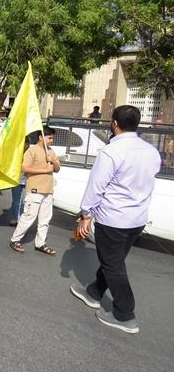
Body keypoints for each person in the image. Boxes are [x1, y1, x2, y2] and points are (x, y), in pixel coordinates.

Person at [70, 105, 161, 334]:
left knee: (114, 265)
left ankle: (124, 313)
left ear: (114, 123)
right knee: (115, 261)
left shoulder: (111, 152)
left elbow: (96, 187)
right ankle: (94, 292)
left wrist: (85, 215)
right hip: (137, 219)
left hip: (114, 219)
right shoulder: (151, 151)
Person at [9, 126, 60, 255]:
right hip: (35, 190)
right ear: (40, 137)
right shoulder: (32, 151)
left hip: (48, 191)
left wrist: (53, 161)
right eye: (49, 138)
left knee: (45, 219)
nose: (51, 140)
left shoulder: (51, 152)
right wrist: (45, 170)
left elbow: (58, 168)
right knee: (29, 217)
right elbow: (25, 168)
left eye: (52, 138)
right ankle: (15, 239)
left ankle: (40, 243)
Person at [9, 137, 30, 226]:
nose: (26, 145)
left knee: (26, 201)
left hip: (28, 180)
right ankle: (16, 219)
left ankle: (22, 219)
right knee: (17, 201)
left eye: (27, 143)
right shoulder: (15, 153)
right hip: (17, 180)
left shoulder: (31, 153)